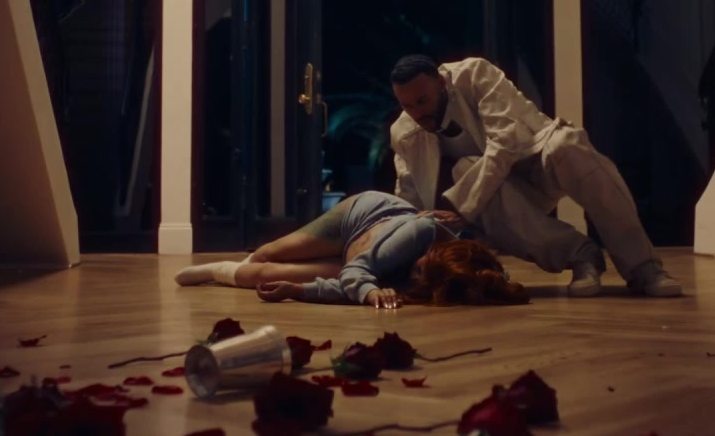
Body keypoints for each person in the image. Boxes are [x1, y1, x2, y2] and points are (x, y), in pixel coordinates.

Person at [388, 54, 682, 297]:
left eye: (422, 101)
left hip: (538, 163)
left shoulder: (474, 74)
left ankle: (645, 268)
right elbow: (408, 198)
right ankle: (582, 257)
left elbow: (505, 143)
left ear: (441, 83)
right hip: (498, 201)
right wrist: (401, 257)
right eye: (407, 105)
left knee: (568, 144)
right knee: (465, 169)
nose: (417, 112)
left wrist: (463, 209)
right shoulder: (403, 133)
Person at [174, 190, 528, 308]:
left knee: (260, 275)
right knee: (268, 253)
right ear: (435, 251)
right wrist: (370, 291)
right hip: (361, 218)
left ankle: (215, 271)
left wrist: (298, 290)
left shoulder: (441, 281)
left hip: (357, 263)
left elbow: (349, 285)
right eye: (419, 268)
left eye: (420, 278)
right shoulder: (417, 233)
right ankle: (232, 262)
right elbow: (359, 275)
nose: (414, 275)